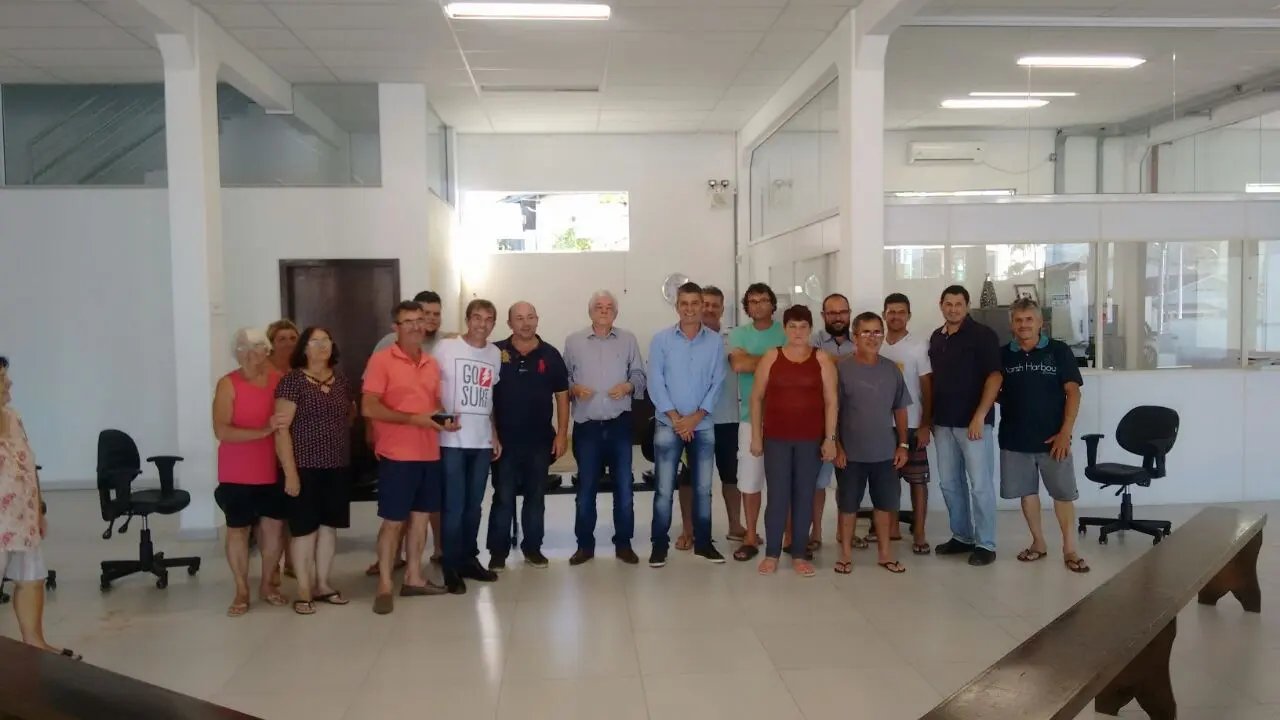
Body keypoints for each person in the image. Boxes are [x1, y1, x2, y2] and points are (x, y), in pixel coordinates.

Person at [362, 301, 456, 614]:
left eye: (420, 320)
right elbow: (369, 407)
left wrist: (445, 419)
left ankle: (414, 577)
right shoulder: (381, 360)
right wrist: (413, 419)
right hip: (397, 454)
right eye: (409, 321)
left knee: (420, 519)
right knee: (393, 521)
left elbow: (432, 406)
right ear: (396, 327)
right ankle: (385, 585)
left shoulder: (431, 363)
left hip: (429, 452)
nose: (416, 326)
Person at [999, 298, 1089, 573]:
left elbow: (1073, 392)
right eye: (1018, 320)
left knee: (1063, 494)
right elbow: (995, 390)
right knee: (1027, 494)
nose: (1024, 325)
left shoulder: (1058, 350)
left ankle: (1070, 549)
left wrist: (1065, 432)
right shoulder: (1004, 354)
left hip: (1054, 439)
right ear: (1012, 325)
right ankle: (1038, 543)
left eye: (1029, 319)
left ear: (1040, 323)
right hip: (1015, 438)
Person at [275, 327, 358, 615]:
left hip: (336, 466)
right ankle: (303, 590)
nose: (322, 346)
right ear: (304, 348)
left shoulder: (341, 380)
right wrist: (290, 473)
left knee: (328, 528)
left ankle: (323, 584)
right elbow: (281, 430)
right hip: (303, 467)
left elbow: (349, 414)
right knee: (304, 531)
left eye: (326, 341)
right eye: (315, 342)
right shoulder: (292, 381)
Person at [749, 305, 837, 577]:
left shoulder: (821, 358)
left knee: (804, 496)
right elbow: (756, 398)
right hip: (776, 439)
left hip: (810, 440)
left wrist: (830, 439)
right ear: (785, 329)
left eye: (803, 327)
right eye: (792, 326)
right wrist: (756, 436)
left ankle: (799, 553)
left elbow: (831, 401)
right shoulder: (772, 357)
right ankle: (772, 553)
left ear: (810, 329)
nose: (798, 332)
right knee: (777, 497)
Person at [0, 357, 79, 660]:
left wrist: (39, 510)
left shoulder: (13, 417)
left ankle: (35, 643)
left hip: (23, 515)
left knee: (31, 579)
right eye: (2, 378)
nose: (9, 382)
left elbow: (30, 466)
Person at [563, 290, 647, 566]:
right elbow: (564, 379)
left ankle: (623, 544)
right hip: (587, 426)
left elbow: (639, 375)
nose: (604, 310)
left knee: (624, 487)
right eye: (598, 306)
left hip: (619, 425)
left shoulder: (628, 339)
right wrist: (574, 388)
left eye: (609, 307)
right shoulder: (574, 341)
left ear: (616, 313)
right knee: (586, 489)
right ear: (590, 312)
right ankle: (584, 545)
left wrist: (628, 386)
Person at [648, 282, 728, 568]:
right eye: (685, 303)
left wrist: (695, 418)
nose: (690, 309)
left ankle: (703, 544)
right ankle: (659, 546)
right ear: (677, 306)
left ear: (702, 305)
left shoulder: (715, 342)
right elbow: (655, 382)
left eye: (696, 303)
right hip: (668, 424)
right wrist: (675, 418)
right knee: (663, 489)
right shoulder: (661, 340)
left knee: (703, 488)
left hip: (702, 424)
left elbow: (717, 381)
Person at [486, 302, 569, 571]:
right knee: (503, 496)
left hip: (539, 440)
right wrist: (492, 433)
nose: (526, 323)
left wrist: (562, 435)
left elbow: (562, 396)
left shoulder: (551, 354)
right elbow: (486, 397)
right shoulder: (495, 353)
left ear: (537, 319)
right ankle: (498, 552)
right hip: (504, 441)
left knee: (536, 496)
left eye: (530, 317)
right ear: (509, 323)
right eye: (519, 318)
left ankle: (533, 548)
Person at [213, 328, 288, 617]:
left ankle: (268, 584)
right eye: (245, 348)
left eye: (258, 347)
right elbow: (222, 430)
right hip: (236, 470)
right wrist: (263, 431)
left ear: (266, 350)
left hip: (271, 467)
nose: (252, 353)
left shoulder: (279, 381)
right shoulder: (227, 384)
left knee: (273, 528)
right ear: (237, 352)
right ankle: (241, 589)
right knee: (238, 529)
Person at [833, 312, 911, 575]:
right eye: (865, 332)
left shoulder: (891, 369)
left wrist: (903, 445)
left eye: (877, 331)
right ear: (855, 337)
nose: (872, 337)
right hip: (850, 454)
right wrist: (837, 445)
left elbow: (900, 409)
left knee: (885, 505)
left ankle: (885, 554)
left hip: (885, 452)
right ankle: (845, 555)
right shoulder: (842, 369)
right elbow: (832, 410)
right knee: (848, 506)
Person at [929, 285, 1002, 566]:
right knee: (949, 483)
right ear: (941, 305)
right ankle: (962, 536)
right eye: (948, 304)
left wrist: (980, 415)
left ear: (967, 306)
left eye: (958, 304)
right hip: (943, 422)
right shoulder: (937, 337)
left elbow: (995, 377)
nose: (953, 309)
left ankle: (985, 543)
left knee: (980, 485)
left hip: (974, 424)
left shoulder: (983, 335)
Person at [436, 299, 503, 587]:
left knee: (474, 506)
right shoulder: (446, 348)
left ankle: (468, 559)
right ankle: (450, 565)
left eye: (488, 319)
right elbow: (430, 387)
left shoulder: (494, 354)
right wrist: (441, 417)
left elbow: (490, 398)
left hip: (481, 441)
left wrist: (494, 433)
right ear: (467, 320)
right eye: (477, 318)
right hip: (452, 440)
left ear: (493, 324)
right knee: (454, 506)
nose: (482, 324)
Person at [674, 286, 745, 550]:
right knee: (689, 477)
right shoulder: (684, 339)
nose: (710, 309)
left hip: (728, 418)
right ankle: (689, 529)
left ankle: (735, 526)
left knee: (731, 476)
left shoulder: (732, 339)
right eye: (706, 304)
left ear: (722, 309)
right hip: (693, 421)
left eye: (716, 305)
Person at [728, 283, 785, 562]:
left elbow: (796, 363)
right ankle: (750, 536)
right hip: (750, 419)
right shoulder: (738, 334)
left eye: (763, 300)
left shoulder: (786, 331)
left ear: (772, 304)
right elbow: (739, 365)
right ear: (747, 307)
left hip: (785, 417)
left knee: (783, 480)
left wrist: (756, 360)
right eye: (752, 301)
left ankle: (788, 537)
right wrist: (778, 359)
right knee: (750, 480)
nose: (758, 305)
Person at [880, 293, 934, 555]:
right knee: (887, 481)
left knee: (917, 480)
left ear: (909, 316)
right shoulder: (877, 343)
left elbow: (927, 388)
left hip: (912, 424)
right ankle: (891, 529)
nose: (896, 316)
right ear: (884, 314)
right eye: (891, 311)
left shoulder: (919, 346)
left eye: (901, 312)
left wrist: (925, 425)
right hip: (881, 425)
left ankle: (920, 532)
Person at [806, 293, 855, 553]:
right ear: (823, 316)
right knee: (819, 482)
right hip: (822, 423)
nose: (838, 317)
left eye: (842, 312)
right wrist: (850, 360)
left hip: (854, 420)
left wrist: (828, 361)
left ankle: (844, 533)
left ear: (849, 314)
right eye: (832, 313)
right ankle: (816, 532)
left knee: (849, 482)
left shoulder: (860, 339)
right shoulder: (811, 342)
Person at [265, 318, 299, 582]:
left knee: (293, 509)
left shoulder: (301, 369)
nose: (288, 343)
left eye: (293, 338)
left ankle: (291, 561)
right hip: (268, 446)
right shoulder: (264, 371)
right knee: (274, 514)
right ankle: (272, 566)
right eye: (282, 339)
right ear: (271, 344)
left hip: (298, 446)